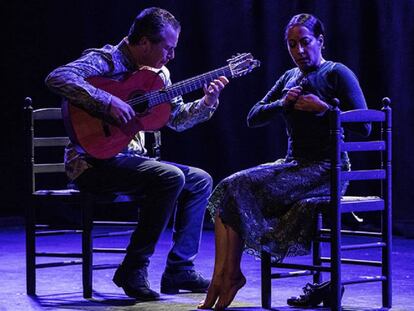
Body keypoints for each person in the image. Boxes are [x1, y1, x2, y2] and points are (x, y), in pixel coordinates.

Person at [45, 7, 229, 301]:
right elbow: (58, 77)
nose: (171, 56)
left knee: (201, 180)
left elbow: (177, 119)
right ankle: (133, 268)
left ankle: (179, 269)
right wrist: (107, 102)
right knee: (169, 176)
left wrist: (207, 101)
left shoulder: (160, 75)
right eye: (167, 48)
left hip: (134, 162)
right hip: (91, 163)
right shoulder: (106, 60)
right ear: (144, 42)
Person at [198, 13, 370, 310]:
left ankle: (228, 277)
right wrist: (283, 103)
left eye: (305, 43)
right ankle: (223, 276)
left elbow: (366, 126)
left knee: (238, 185)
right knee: (228, 188)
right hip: (294, 165)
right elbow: (254, 116)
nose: (299, 51)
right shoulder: (289, 78)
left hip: (327, 169)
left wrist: (326, 109)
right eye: (292, 45)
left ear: (320, 41)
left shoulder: (336, 73)